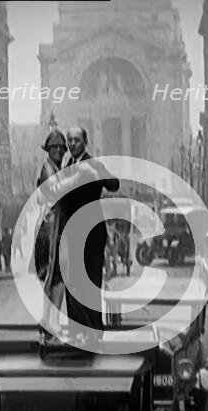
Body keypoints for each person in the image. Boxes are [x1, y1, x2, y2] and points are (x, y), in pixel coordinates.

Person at [62, 126, 120, 341]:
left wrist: (97, 176)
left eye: (76, 139)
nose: (72, 144)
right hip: (72, 233)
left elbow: (114, 184)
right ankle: (76, 330)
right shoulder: (66, 167)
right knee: (73, 282)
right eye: (70, 140)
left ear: (85, 142)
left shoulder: (94, 164)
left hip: (93, 233)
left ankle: (95, 330)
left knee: (91, 281)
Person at [35, 129, 70, 338]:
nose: (58, 150)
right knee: (54, 275)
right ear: (48, 149)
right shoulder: (49, 170)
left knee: (56, 276)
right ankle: (51, 319)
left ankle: (49, 319)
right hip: (51, 229)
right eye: (54, 147)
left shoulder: (56, 168)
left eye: (60, 147)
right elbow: (57, 194)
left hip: (55, 226)